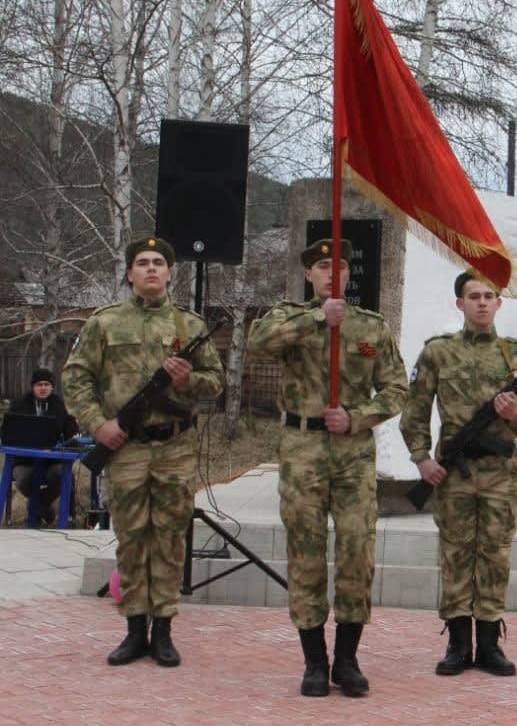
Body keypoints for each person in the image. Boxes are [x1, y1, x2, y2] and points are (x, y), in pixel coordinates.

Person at [247, 238, 408, 699]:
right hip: (303, 448)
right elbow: (257, 343)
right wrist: (319, 318)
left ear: (348, 274)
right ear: (308, 275)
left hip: (353, 451)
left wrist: (357, 417)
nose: (331, 273)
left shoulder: (371, 327)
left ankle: (347, 659)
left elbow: (397, 389)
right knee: (306, 551)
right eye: (322, 266)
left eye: (339, 266)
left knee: (357, 550)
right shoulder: (289, 318)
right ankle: (314, 661)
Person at [62, 236, 224, 668]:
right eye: (142, 262)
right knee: (132, 539)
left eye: (158, 262)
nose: (151, 268)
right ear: (130, 274)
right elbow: (75, 379)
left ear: (170, 273)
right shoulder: (104, 323)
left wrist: (188, 380)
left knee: (170, 539)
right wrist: (99, 424)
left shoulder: (189, 326)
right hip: (126, 448)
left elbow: (216, 382)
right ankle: (135, 630)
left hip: (176, 447)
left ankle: (164, 630)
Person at [399, 270, 517, 678]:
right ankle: (458, 644)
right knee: (456, 553)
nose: (482, 302)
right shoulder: (438, 353)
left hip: (500, 474)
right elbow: (414, 410)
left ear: (499, 303)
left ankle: (489, 644)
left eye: (488, 296)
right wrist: (421, 459)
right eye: (474, 296)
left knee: (495, 554)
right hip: (454, 475)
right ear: (459, 303)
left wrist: (514, 414)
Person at [5, 367, 78, 525]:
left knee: (63, 474)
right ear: (33, 387)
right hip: (25, 460)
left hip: (52, 460)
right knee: (24, 480)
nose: (43, 388)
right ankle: (40, 510)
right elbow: (8, 431)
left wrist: (73, 422)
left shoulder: (59, 405)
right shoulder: (19, 405)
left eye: (47, 384)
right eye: (39, 384)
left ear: (52, 387)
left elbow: (70, 431)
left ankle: (41, 505)